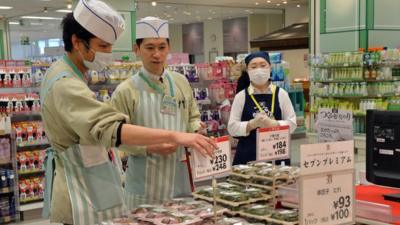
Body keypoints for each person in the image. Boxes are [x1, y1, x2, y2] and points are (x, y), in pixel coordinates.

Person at [40, 2, 215, 224]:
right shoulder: (66, 83)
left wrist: (193, 129)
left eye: (162, 47)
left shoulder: (71, 73)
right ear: (76, 41)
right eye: (102, 46)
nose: (108, 53)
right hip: (82, 188)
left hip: (102, 180)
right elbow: (112, 130)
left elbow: (192, 115)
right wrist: (172, 136)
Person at [110, 16, 207, 209]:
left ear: (168, 48)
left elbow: (193, 117)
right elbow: (114, 138)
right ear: (136, 49)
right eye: (150, 47)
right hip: (144, 184)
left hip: (180, 177)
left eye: (162, 47)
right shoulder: (126, 90)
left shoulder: (181, 82)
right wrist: (149, 148)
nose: (157, 54)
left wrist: (197, 129)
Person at [228, 51, 297, 165]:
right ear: (248, 71)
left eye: (263, 65)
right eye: (253, 67)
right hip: (247, 157)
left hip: (277, 155)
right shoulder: (241, 96)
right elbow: (232, 127)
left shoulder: (281, 94)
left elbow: (293, 123)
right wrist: (251, 124)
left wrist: (274, 124)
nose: (258, 70)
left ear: (270, 68)